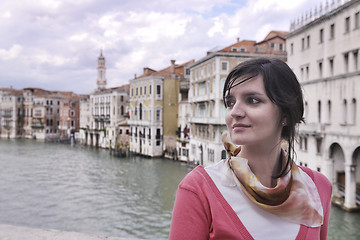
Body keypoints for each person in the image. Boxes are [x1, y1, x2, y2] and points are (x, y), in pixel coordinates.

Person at [169, 58, 332, 240]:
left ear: (285, 114)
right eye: (230, 102)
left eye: (252, 100)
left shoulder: (319, 187)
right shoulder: (198, 190)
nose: (235, 112)